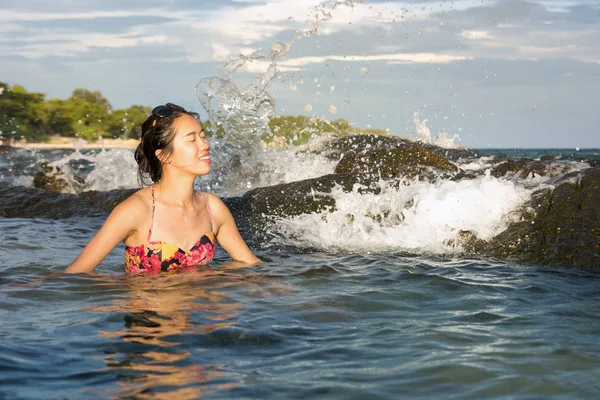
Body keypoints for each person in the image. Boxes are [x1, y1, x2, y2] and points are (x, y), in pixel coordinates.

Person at [65, 103, 261, 274]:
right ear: (164, 156)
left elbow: (249, 263)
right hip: (148, 314)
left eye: (203, 136)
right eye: (192, 140)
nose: (205, 145)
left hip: (199, 313)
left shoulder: (213, 208)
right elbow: (75, 274)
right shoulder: (136, 210)